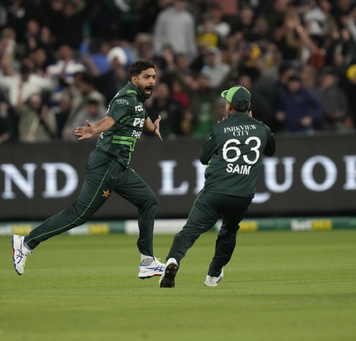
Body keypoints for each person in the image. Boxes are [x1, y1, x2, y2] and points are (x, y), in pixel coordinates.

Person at [12, 59, 165, 279]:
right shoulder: (126, 98)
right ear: (134, 79)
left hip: (118, 166)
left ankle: (148, 261)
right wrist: (94, 130)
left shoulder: (137, 101)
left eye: (153, 77)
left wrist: (154, 127)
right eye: (147, 77)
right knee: (79, 214)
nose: (152, 81)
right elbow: (110, 120)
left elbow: (143, 119)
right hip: (107, 163)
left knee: (148, 200)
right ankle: (25, 243)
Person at [159, 85, 276, 288]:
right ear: (249, 107)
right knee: (228, 233)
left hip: (215, 191)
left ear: (229, 106)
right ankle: (212, 276)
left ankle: (173, 260)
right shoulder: (262, 128)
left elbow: (203, 158)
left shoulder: (220, 129)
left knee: (189, 232)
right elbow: (271, 150)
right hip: (242, 196)